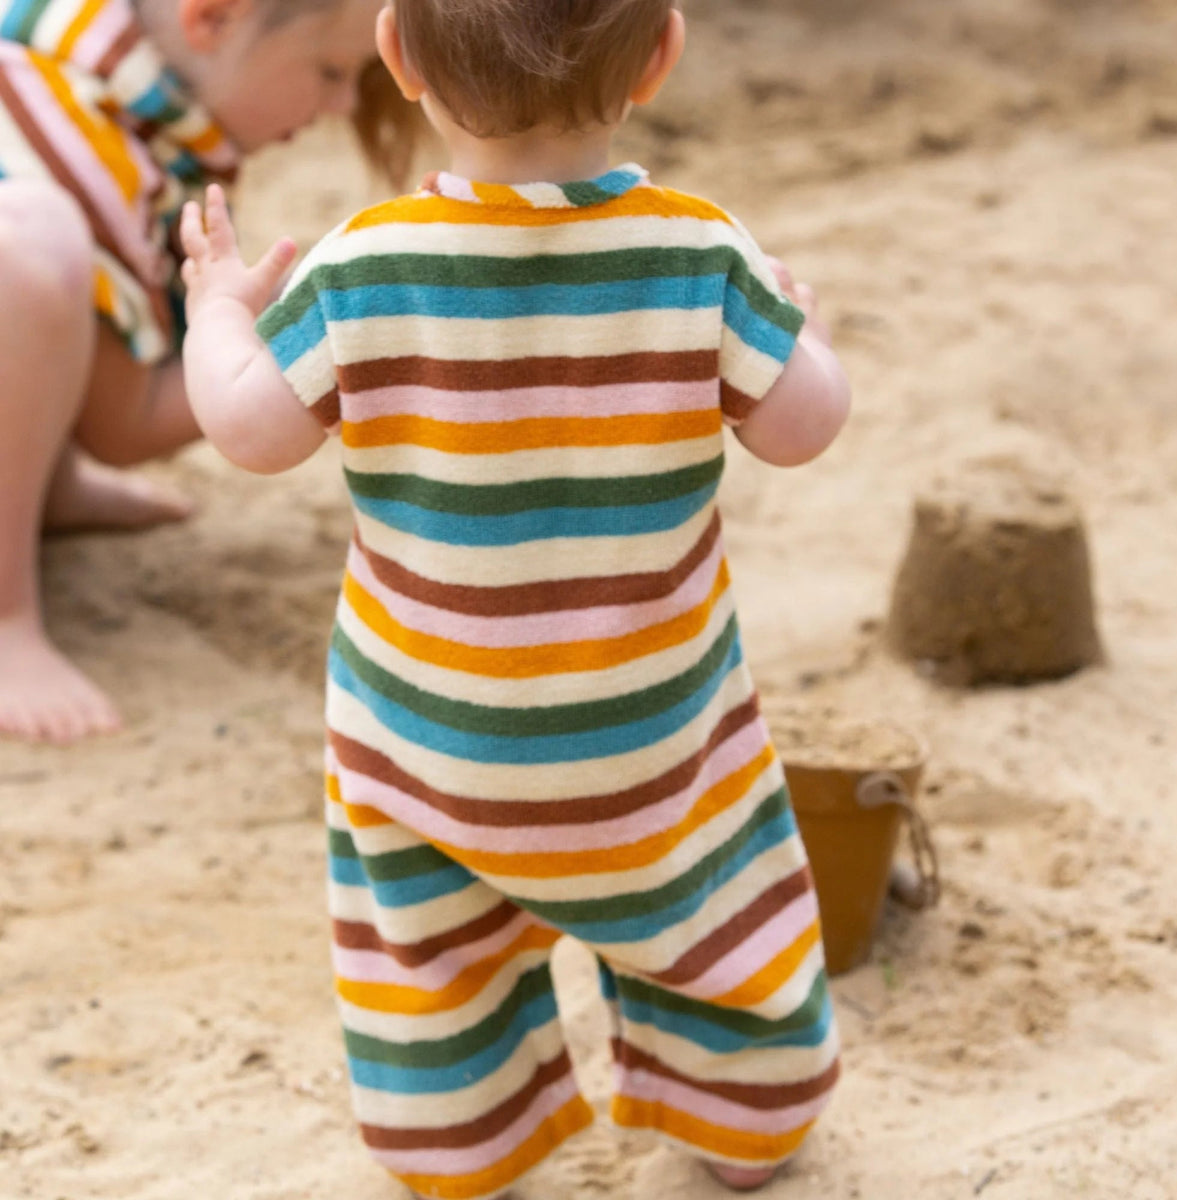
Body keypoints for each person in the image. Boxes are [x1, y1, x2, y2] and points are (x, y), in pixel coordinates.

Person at [180, 0, 851, 1196]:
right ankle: (746, 1127)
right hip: (646, 748)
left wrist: (218, 316)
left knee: (427, 956)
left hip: (425, 747)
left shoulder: (361, 265)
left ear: (395, 51)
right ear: (661, 53)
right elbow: (804, 428)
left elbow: (249, 431)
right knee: (715, 917)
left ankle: (458, 1146)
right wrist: (802, 327)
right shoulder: (701, 252)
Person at [0, 0, 391, 744]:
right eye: (330, 70)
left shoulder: (82, 58)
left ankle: (45, 485)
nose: (343, 104)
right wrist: (310, 332)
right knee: (28, 250)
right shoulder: (86, 138)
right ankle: (4, 618)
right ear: (210, 21)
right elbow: (126, 423)